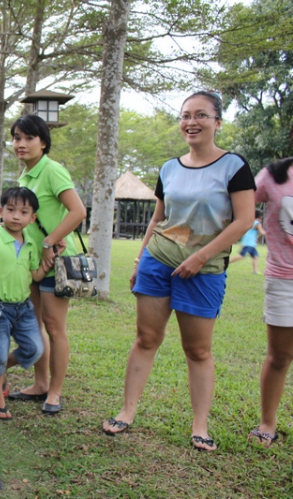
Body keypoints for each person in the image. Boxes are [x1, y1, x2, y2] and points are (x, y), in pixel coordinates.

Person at [102, 91, 256, 451]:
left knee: (198, 350)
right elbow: (158, 218)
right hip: (159, 261)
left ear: (217, 122)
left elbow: (245, 219)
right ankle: (126, 411)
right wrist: (140, 262)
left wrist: (201, 257)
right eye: (185, 115)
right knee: (146, 339)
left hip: (204, 270)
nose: (191, 121)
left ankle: (200, 426)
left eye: (201, 115)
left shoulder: (233, 166)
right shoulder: (169, 168)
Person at [6, 114, 87, 415]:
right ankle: (40, 384)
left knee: (55, 327)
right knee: (34, 323)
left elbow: (78, 211)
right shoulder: (26, 177)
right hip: (33, 262)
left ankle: (55, 392)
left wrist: (49, 242)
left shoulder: (52, 171)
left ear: (43, 141)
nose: (21, 144)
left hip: (57, 261)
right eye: (16, 138)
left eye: (28, 138)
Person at [0, 187, 48, 420]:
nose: (16, 216)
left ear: (32, 218)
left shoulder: (31, 245)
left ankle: (1, 369)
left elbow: (35, 275)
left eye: (23, 212)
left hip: (23, 308)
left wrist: (49, 261)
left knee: (34, 348)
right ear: (0, 211)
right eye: (11, 210)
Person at [248, 156, 293, 447]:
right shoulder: (274, 175)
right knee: (279, 357)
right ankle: (268, 423)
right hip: (283, 280)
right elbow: (240, 203)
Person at [229, 209, 265, 273]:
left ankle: (255, 271)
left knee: (255, 256)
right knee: (241, 256)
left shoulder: (250, 222)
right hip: (249, 243)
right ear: (260, 216)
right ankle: (227, 263)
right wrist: (269, 233)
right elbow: (261, 232)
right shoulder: (257, 223)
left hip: (249, 242)